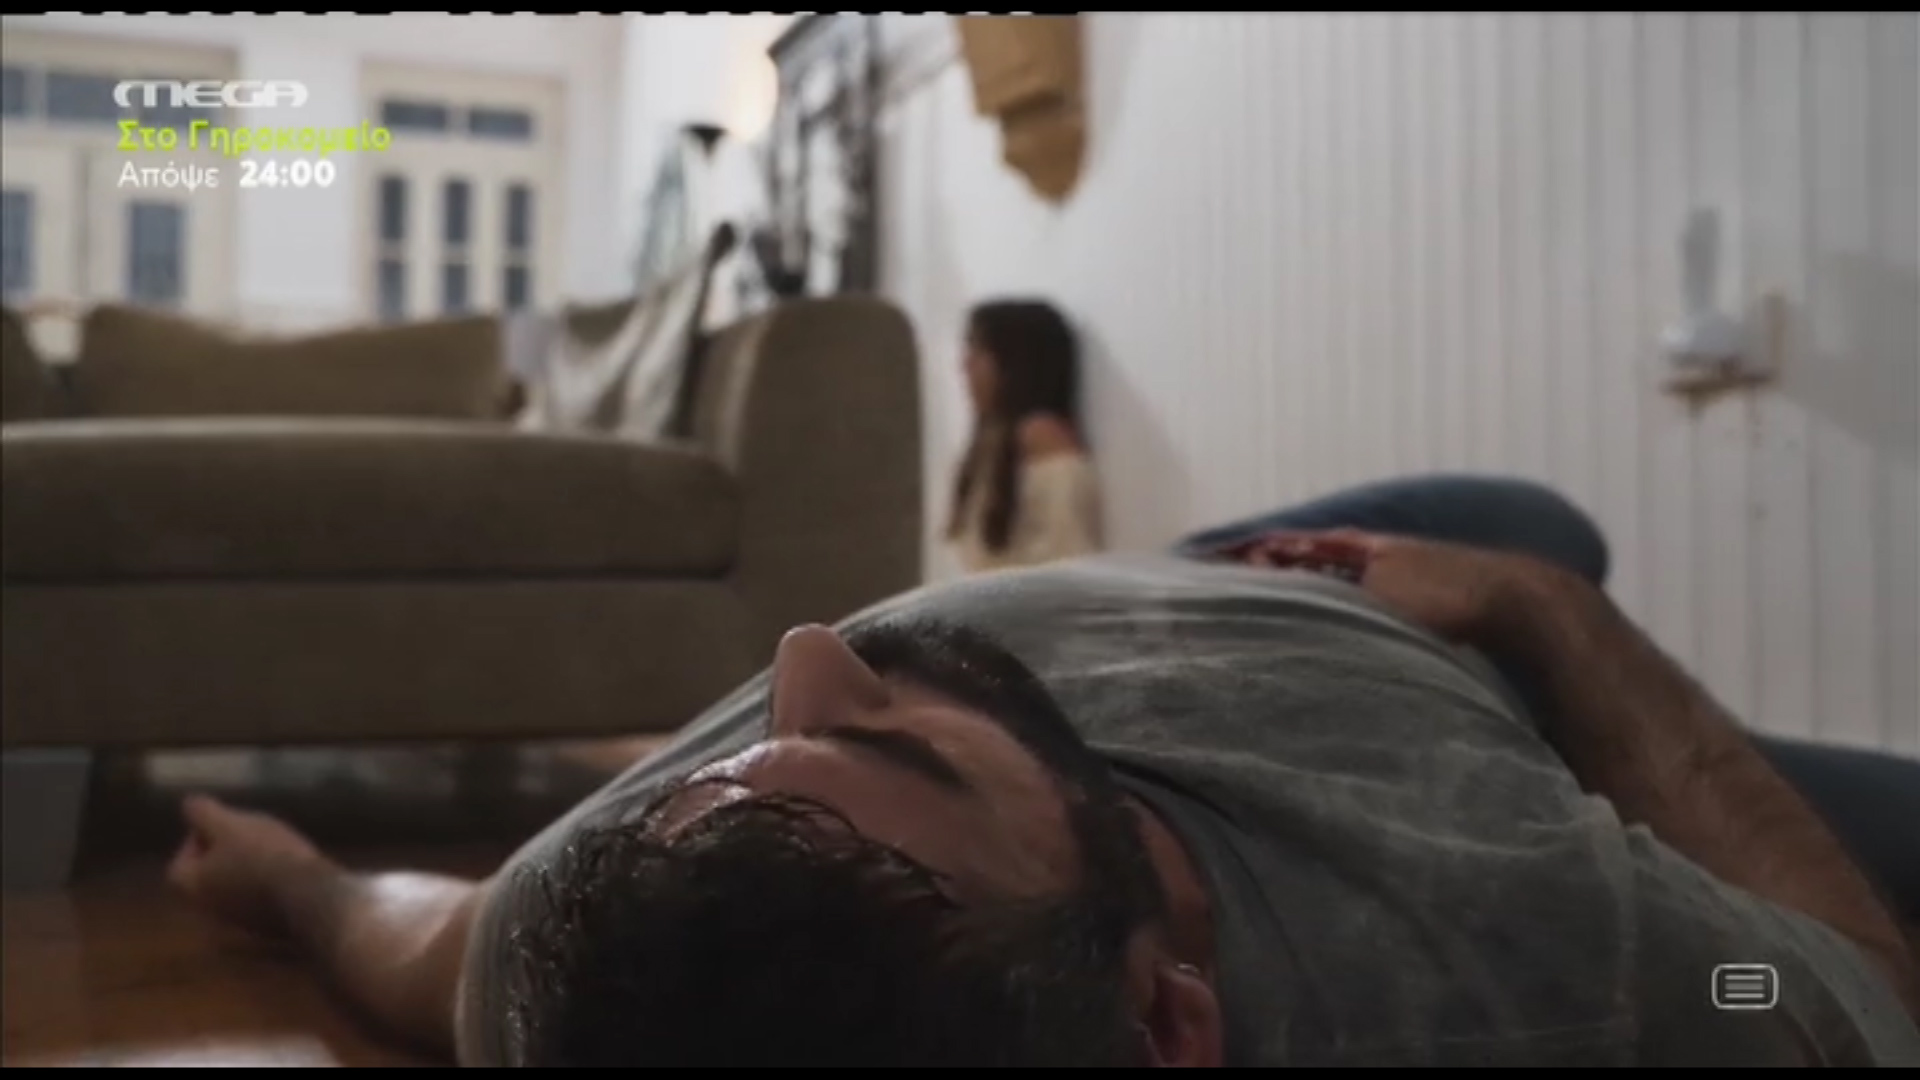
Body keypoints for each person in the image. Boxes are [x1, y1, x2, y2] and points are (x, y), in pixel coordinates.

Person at [168, 475, 1920, 1067]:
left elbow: (404, 932)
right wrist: (1536, 609)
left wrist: (283, 874)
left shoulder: (574, 959)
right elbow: (1866, 992)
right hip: (1418, 649)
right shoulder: (1534, 959)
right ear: (1167, 1017)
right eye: (883, 745)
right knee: (1544, 534)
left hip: (1238, 574)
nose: (810, 651)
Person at [947, 299, 1102, 573]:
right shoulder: (992, 442)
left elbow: (1069, 557)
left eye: (979, 351)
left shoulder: (1043, 440)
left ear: (1017, 363)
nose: (965, 365)